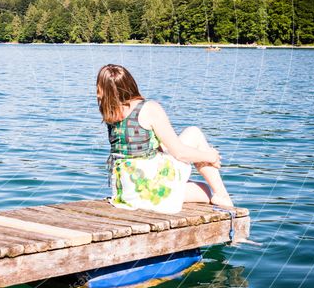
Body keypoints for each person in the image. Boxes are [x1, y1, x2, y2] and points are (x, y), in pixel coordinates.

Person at [96, 64, 233, 213]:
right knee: (194, 133)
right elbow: (179, 153)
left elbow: (159, 148)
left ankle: (219, 195)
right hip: (150, 191)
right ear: (130, 83)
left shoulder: (110, 114)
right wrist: (210, 156)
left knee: (204, 189)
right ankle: (224, 196)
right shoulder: (148, 108)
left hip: (126, 194)